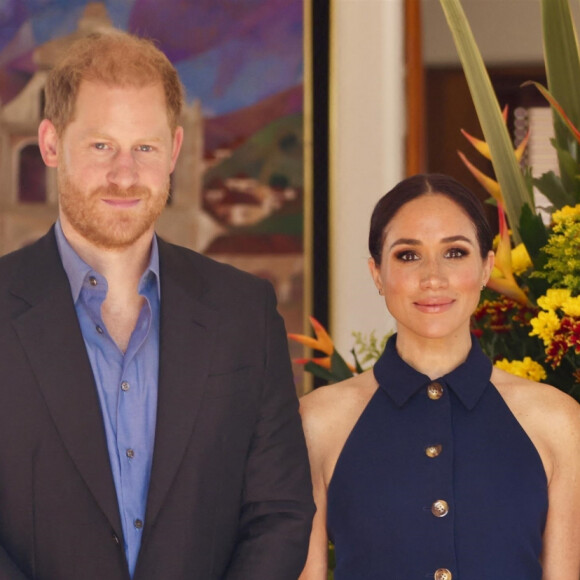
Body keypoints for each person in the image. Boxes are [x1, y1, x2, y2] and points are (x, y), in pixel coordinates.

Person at [0, 31, 315, 580]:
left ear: (172, 150)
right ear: (51, 144)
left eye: (144, 148)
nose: (125, 174)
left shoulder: (245, 313)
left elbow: (279, 512)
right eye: (101, 146)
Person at [299, 173, 580, 580]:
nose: (433, 277)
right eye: (408, 256)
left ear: (487, 267)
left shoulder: (558, 421)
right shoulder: (318, 421)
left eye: (455, 253)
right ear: (377, 273)